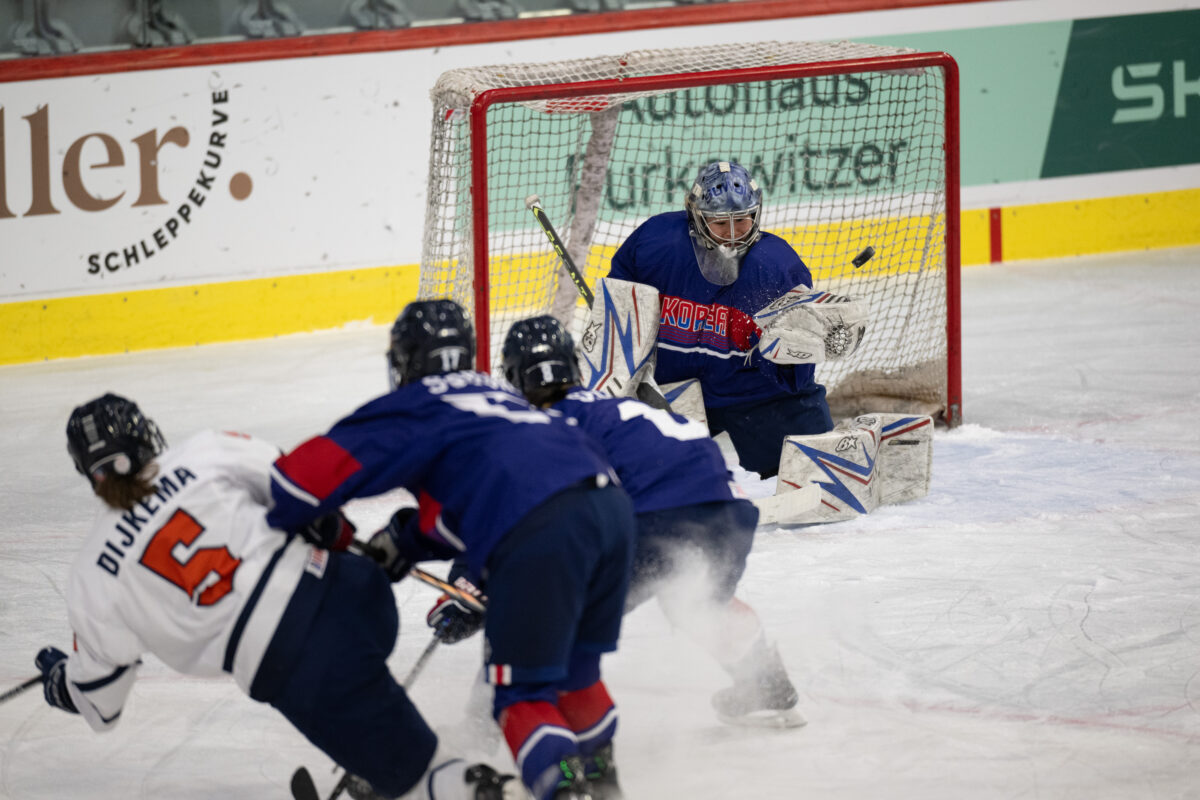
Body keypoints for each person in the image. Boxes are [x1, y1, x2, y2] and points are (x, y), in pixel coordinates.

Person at [34, 393, 514, 800]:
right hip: (353, 594)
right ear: (143, 435)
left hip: (296, 672)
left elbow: (101, 704)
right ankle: (380, 751)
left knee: (421, 773)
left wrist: (63, 685)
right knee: (357, 690)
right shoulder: (204, 452)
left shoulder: (91, 574)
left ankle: (416, 772)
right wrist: (340, 534)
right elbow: (307, 493)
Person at [265, 300, 636, 800]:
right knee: (572, 675)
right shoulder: (496, 395)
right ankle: (604, 785)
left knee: (521, 695)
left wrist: (325, 525)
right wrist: (405, 542)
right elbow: (480, 497)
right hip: (612, 511)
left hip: (541, 524)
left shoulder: (413, 406)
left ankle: (566, 792)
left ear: (406, 361)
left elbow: (295, 487)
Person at [428, 315, 802, 728]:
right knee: (693, 597)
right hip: (730, 512)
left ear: (515, 377)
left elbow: (498, 512)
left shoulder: (538, 425)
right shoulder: (612, 406)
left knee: (536, 616)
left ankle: (484, 730)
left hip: (658, 516)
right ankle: (764, 684)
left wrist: (465, 585)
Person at [607, 159, 834, 478]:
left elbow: (796, 373)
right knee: (619, 473)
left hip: (755, 395)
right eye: (719, 223)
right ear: (696, 216)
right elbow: (618, 306)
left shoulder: (776, 268)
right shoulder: (656, 244)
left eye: (741, 220)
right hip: (669, 389)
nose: (732, 234)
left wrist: (799, 348)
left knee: (819, 481)